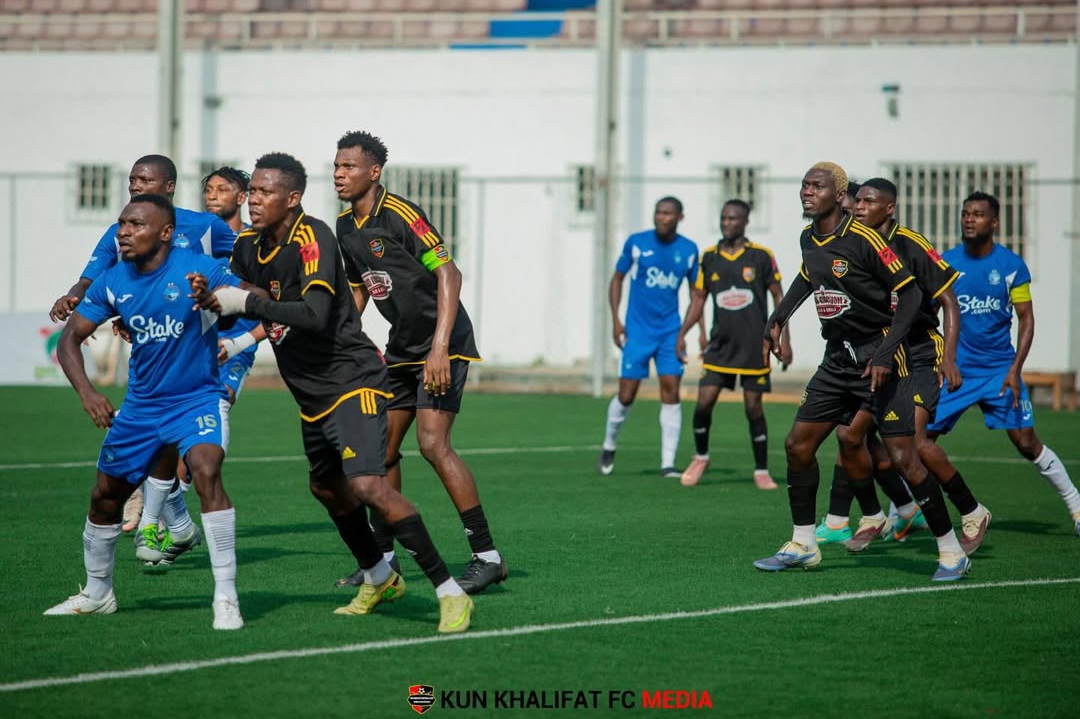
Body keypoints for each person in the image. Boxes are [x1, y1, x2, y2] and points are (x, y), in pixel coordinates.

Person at [192, 152, 474, 633]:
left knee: (368, 485)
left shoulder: (314, 237)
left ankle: (450, 592)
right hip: (310, 393)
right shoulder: (248, 247)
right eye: (251, 192)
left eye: (264, 193)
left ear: (293, 198)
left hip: (352, 381)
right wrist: (207, 305)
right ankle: (379, 576)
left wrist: (247, 301)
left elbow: (315, 314)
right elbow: (240, 295)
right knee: (325, 487)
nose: (253, 200)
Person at [754, 162, 969, 582]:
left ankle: (950, 551)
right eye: (804, 185)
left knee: (905, 458)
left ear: (839, 195)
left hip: (882, 359)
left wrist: (887, 353)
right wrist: (776, 319)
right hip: (839, 359)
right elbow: (807, 277)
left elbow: (909, 296)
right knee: (798, 445)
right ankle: (803, 544)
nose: (807, 191)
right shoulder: (808, 238)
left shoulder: (866, 239)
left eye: (817, 186)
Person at [45, 194, 243, 629]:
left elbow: (252, 296)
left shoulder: (198, 267)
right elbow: (69, 339)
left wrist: (217, 300)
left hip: (196, 398)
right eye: (122, 224)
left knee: (207, 470)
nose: (124, 232)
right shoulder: (113, 281)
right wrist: (88, 393)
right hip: (141, 407)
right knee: (105, 497)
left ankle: (226, 597)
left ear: (166, 233)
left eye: (136, 224)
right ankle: (97, 594)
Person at [332, 131, 505, 595]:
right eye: (336, 166)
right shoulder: (345, 227)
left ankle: (487, 556)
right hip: (401, 350)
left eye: (349, 166)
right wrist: (343, 336)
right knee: (380, 452)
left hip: (442, 345)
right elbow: (358, 288)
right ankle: (384, 562)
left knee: (433, 445)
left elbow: (449, 272)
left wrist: (439, 347)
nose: (339, 174)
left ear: (375, 171)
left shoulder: (401, 214)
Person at [816, 177, 971, 552]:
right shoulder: (856, 244)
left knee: (912, 444)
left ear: (889, 208)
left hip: (919, 353)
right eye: (858, 202)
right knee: (852, 436)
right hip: (883, 354)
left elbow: (949, 301)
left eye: (868, 202)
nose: (859, 208)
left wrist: (948, 357)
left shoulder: (910, 244)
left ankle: (970, 512)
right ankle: (888, 511)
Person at [925, 191, 1080, 538]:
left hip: (998, 372)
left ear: (994, 222)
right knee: (919, 438)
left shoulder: (1011, 266)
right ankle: (904, 511)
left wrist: (1014, 370)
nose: (969, 219)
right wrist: (939, 360)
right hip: (956, 373)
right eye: (966, 213)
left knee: (1026, 441)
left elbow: (1026, 319)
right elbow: (929, 316)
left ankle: (1076, 504)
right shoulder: (945, 262)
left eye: (978, 214)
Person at [675, 199, 789, 490]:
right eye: (724, 218)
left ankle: (761, 469)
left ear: (745, 221)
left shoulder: (761, 257)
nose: (727, 223)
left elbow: (780, 297)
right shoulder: (709, 257)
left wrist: (783, 340)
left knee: (753, 408)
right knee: (703, 403)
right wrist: (682, 334)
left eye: (733, 219)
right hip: (720, 347)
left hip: (754, 347)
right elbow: (698, 299)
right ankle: (701, 456)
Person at [597, 197, 699, 478]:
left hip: (670, 333)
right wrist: (616, 320)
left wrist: (693, 333)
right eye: (658, 212)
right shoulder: (636, 243)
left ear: (680, 217)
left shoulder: (689, 250)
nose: (661, 217)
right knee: (626, 395)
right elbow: (617, 279)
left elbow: (696, 295)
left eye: (667, 213)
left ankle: (667, 464)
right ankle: (609, 444)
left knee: (671, 391)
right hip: (638, 330)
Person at [200, 165, 265, 406]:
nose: (212, 195)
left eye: (221, 189)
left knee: (220, 399)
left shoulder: (260, 244)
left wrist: (239, 344)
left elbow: (278, 307)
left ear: (241, 198)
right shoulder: (195, 243)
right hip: (192, 343)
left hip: (236, 346)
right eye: (208, 190)